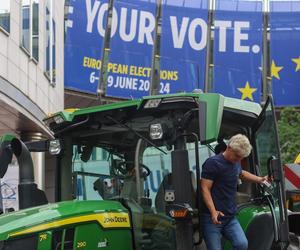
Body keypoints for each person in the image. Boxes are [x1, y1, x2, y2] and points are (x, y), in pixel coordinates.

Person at [201, 134, 269, 250]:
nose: (239, 159)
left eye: (241, 157)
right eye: (237, 156)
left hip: (229, 217)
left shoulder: (235, 162)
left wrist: (260, 179)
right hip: (212, 218)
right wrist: (213, 212)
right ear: (229, 148)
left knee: (242, 244)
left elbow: (241, 173)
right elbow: (205, 188)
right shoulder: (212, 163)